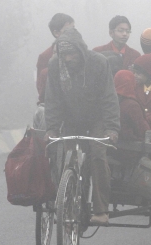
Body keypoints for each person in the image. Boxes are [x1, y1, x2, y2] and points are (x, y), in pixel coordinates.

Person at [44, 28, 120, 225]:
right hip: (70, 118)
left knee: (97, 154)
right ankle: (67, 201)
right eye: (64, 54)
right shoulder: (55, 66)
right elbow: (52, 100)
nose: (68, 59)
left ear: (81, 50)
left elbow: (109, 98)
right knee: (66, 158)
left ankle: (101, 209)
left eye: (72, 53)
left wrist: (112, 128)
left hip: (97, 118)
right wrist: (51, 128)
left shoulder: (98, 63)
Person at [36, 13, 75, 105]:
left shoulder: (80, 52)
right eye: (68, 30)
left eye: (74, 28)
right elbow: (41, 87)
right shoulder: (45, 56)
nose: (73, 32)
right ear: (56, 33)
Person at [114, 70, 150, 141]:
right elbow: (142, 130)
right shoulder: (132, 105)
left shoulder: (111, 101)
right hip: (130, 148)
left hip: (112, 145)